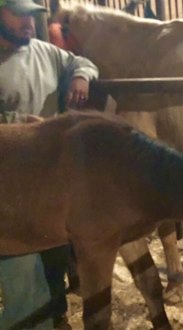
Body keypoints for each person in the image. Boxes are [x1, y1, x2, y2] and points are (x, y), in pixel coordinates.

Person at [0, 0, 99, 328]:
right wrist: (19, 123)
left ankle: (56, 316)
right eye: (19, 15)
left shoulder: (44, 51)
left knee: (54, 255)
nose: (29, 22)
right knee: (22, 271)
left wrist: (81, 77)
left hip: (48, 180)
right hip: (9, 187)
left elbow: (81, 61)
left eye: (32, 15)